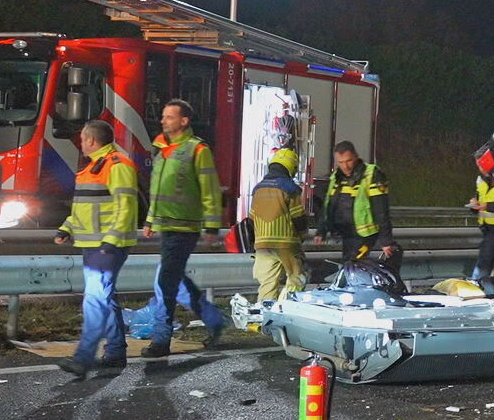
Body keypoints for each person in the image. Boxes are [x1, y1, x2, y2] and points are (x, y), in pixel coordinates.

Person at [52, 120, 139, 379]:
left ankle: (84, 357)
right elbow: (82, 208)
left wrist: (111, 240)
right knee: (105, 298)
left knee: (95, 299)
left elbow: (127, 206)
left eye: (82, 139)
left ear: (91, 140)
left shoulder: (117, 165)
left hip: (107, 246)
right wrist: (66, 228)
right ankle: (115, 353)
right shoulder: (92, 168)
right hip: (94, 244)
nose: (80, 143)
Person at [142, 100, 227, 356]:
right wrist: (149, 220)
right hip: (166, 226)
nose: (163, 121)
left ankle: (161, 340)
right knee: (174, 280)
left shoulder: (197, 150)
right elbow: (157, 191)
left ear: (184, 121)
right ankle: (214, 320)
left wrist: (212, 227)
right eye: (163, 117)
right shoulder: (162, 149)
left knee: (164, 282)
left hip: (184, 228)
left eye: (169, 117)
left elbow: (210, 190)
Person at [316, 140, 397, 274]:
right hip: (346, 233)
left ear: (356, 157)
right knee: (349, 264)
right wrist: (322, 230)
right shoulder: (336, 178)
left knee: (354, 264)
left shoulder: (372, 174)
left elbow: (381, 209)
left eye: (348, 161)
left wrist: (386, 241)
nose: (345, 166)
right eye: (341, 162)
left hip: (365, 234)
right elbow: (329, 205)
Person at [248, 147, 308, 303]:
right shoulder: (290, 188)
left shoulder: (258, 189)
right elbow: (298, 217)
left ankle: (263, 316)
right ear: (290, 166)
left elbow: (251, 218)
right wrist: (303, 235)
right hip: (286, 243)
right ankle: (285, 308)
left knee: (267, 283)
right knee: (297, 277)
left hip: (262, 244)